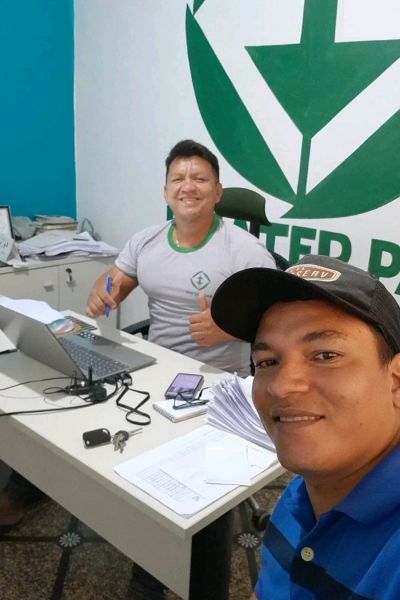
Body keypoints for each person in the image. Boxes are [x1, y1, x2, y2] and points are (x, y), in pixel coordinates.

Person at [210, 254, 400, 600]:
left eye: (325, 355)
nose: (282, 386)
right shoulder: (302, 493)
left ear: (396, 381)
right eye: (267, 361)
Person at [86, 139, 276, 376]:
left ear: (218, 192)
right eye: (178, 179)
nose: (188, 187)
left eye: (199, 179)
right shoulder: (144, 241)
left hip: (218, 379)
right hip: (155, 370)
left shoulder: (247, 251)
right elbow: (115, 282)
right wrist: (100, 292)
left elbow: (278, 325)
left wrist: (228, 330)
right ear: (166, 193)